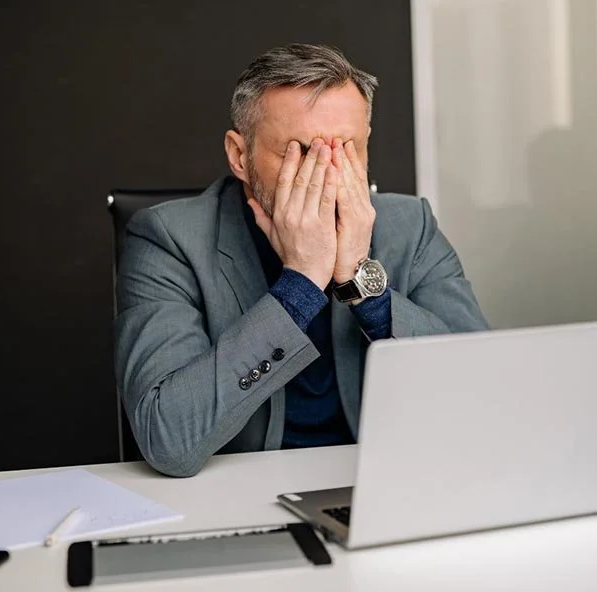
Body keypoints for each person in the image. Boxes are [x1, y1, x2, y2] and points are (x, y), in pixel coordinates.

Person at [114, 43, 488, 477]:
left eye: (347, 150)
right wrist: (302, 282)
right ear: (240, 155)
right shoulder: (168, 239)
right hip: (240, 492)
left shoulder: (410, 225)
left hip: (387, 481)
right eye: (302, 153)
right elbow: (169, 441)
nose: (328, 175)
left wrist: (363, 287)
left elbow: (483, 393)